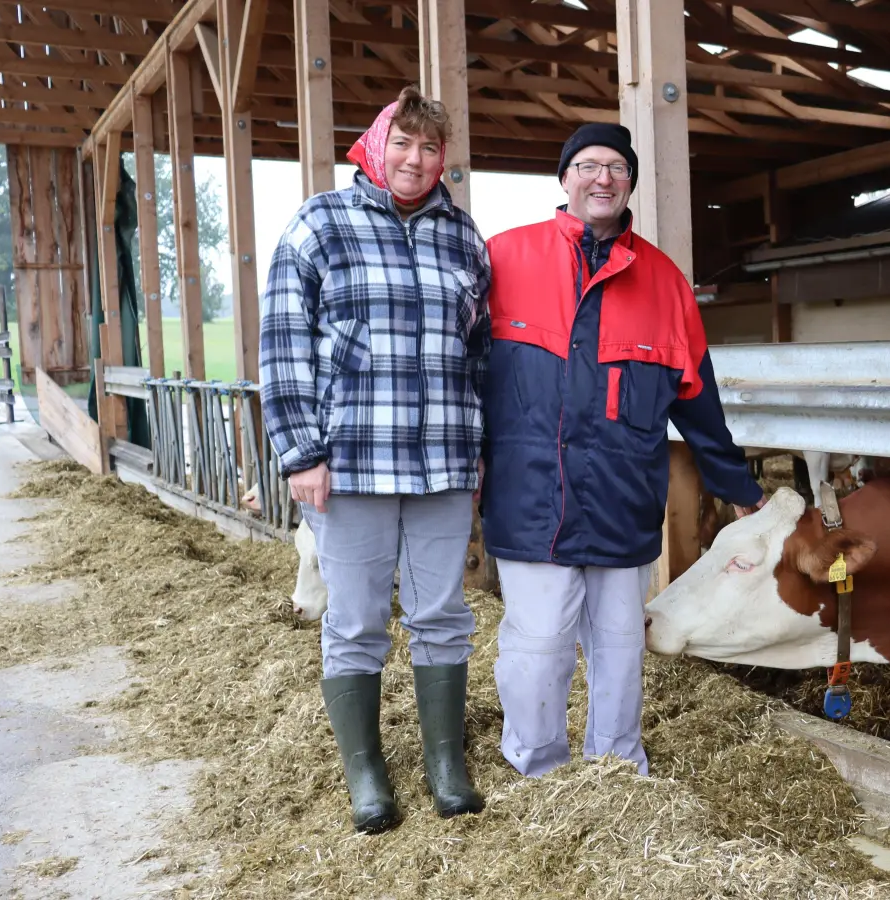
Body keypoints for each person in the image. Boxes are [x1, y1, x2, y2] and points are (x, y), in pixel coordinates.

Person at [480, 123, 766, 778]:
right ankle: (538, 769)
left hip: (622, 504)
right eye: (586, 164)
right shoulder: (505, 259)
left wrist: (742, 492)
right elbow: (462, 375)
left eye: (615, 166)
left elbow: (699, 403)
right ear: (564, 179)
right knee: (537, 649)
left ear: (630, 182)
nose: (601, 177)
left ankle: (616, 770)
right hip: (532, 502)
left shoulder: (664, 282)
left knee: (618, 650)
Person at [258, 86, 490, 833]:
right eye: (403, 143)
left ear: (442, 158)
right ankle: (367, 773)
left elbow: (480, 355)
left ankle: (445, 764)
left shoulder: (463, 238)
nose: (415, 160)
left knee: (441, 614)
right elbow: (284, 341)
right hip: (349, 463)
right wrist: (300, 451)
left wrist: (477, 445)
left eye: (429, 148)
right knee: (355, 622)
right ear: (376, 144)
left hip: (443, 464)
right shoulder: (320, 224)